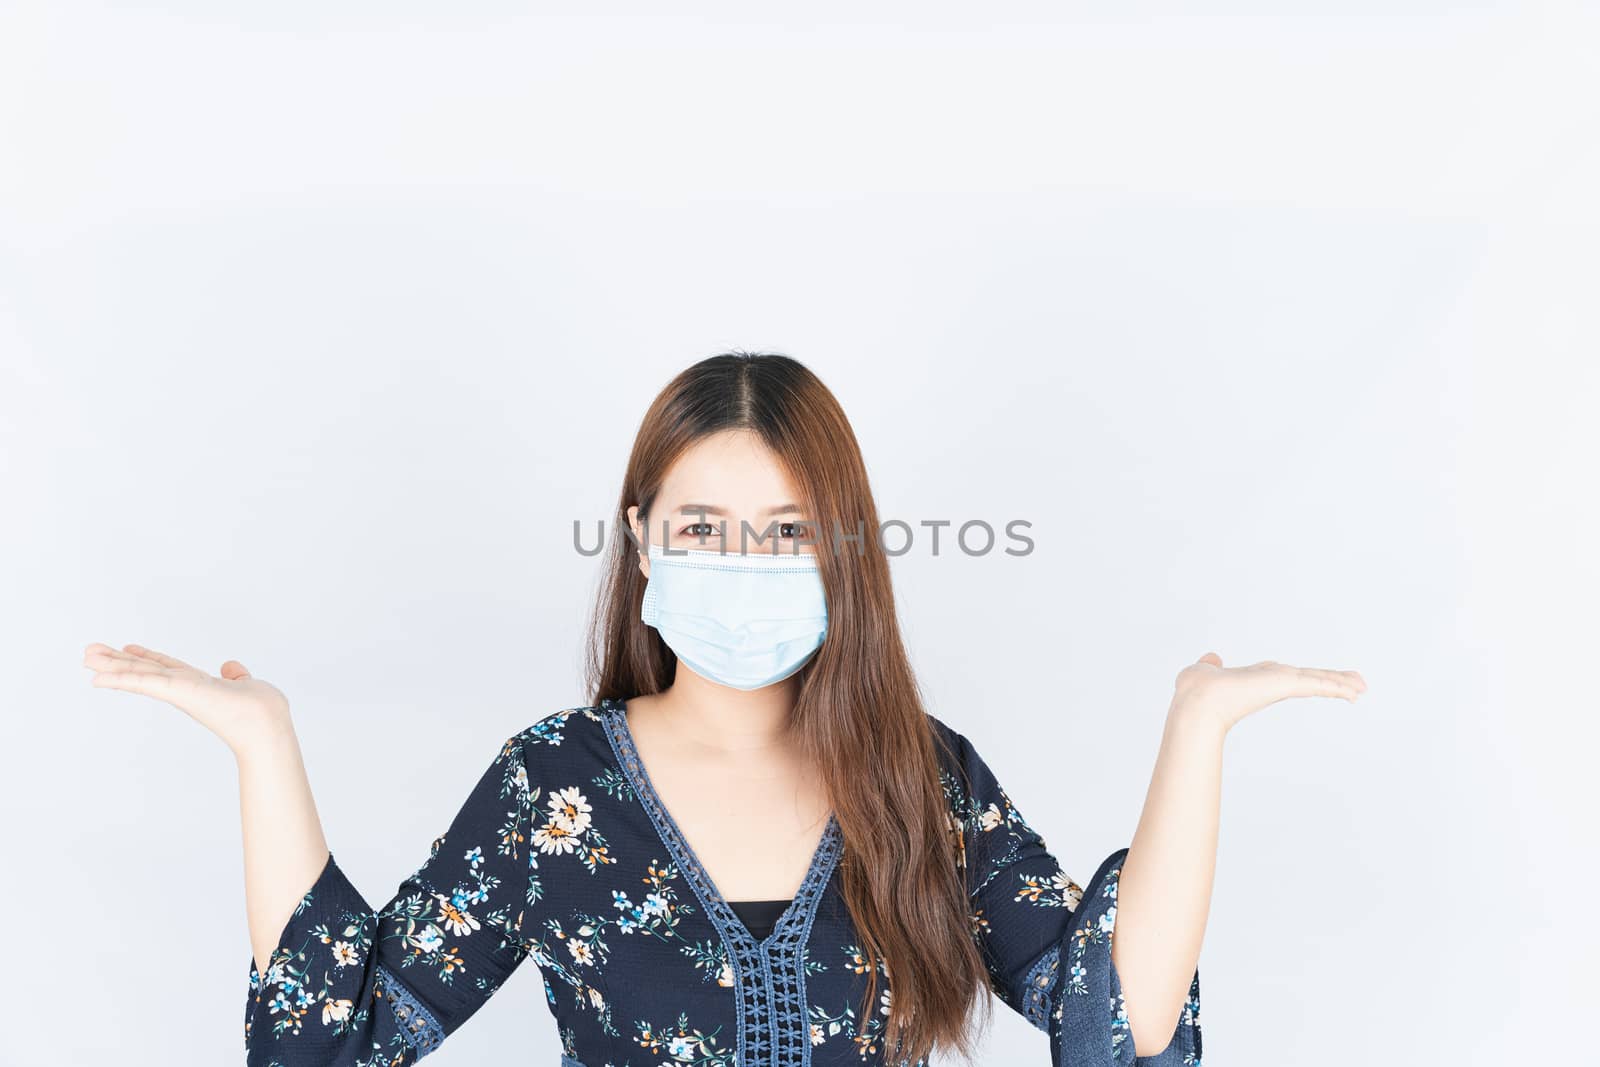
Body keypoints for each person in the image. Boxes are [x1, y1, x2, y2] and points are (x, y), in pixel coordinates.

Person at [83, 352, 1364, 1067]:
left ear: (842, 549)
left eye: (785, 533)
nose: (742, 564)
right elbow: (333, 1047)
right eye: (705, 527)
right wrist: (264, 742)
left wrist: (1195, 733)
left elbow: (1115, 1030)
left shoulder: (921, 778)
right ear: (641, 537)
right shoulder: (556, 788)